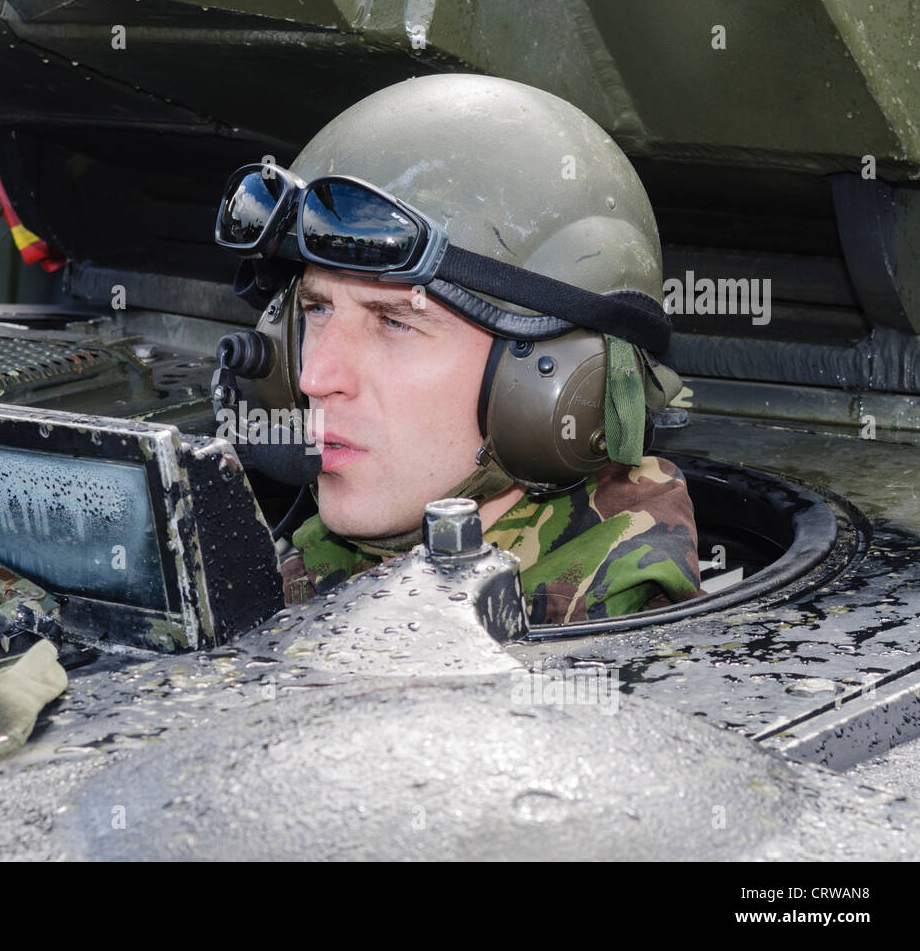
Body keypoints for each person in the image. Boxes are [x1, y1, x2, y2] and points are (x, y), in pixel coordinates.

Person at [215, 73, 702, 624]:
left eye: (395, 322)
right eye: (316, 309)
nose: (314, 378)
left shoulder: (605, 661)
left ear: (559, 387)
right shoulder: (315, 561)